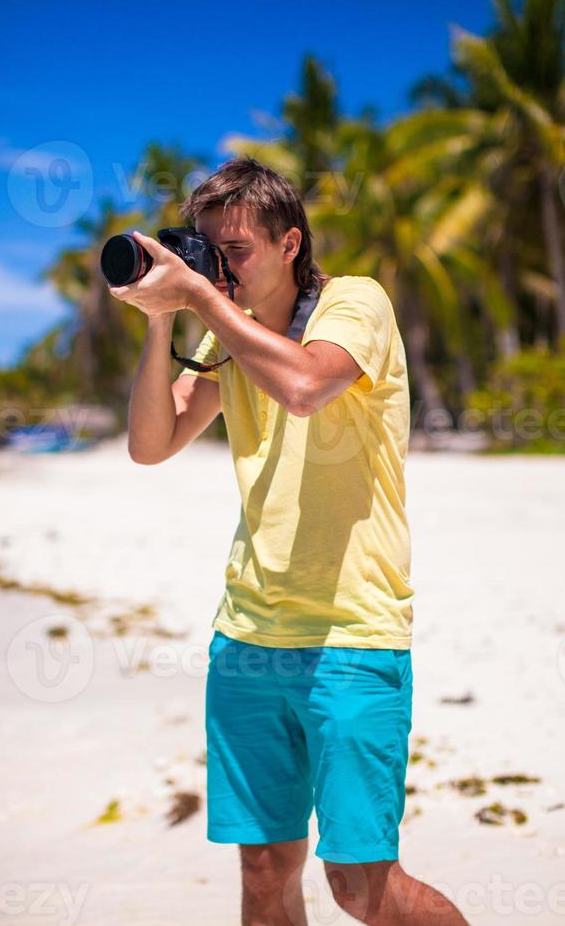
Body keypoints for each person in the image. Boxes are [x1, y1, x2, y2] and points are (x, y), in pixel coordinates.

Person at [108, 158, 468, 926]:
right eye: (207, 251)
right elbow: (149, 443)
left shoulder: (353, 303)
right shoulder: (227, 340)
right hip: (245, 637)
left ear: (290, 244)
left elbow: (306, 386)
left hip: (352, 635)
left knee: (361, 887)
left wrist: (202, 297)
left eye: (234, 251)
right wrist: (163, 318)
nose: (220, 268)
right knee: (265, 872)